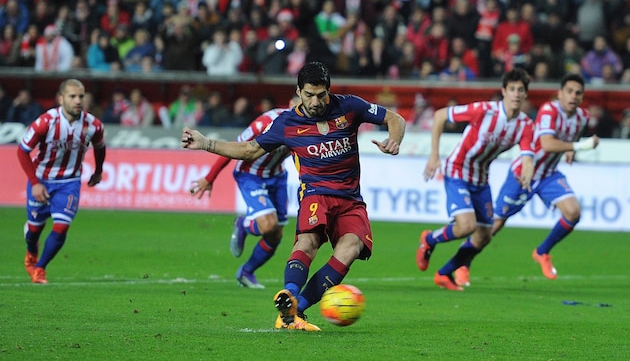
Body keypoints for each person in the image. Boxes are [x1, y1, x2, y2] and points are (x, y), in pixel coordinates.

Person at [182, 61, 405, 331]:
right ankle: (288, 292)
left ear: (328, 91)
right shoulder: (286, 123)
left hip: (350, 200)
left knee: (351, 249)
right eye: (309, 95)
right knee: (308, 242)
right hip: (315, 195)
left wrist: (394, 139)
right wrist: (206, 143)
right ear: (298, 91)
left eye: (321, 94)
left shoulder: (350, 107)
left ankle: (295, 307)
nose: (315, 101)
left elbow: (395, 118)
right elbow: (250, 150)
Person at [454, 73, 599, 287]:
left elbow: (570, 137)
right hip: (523, 173)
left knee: (573, 211)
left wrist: (570, 149)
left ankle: (542, 252)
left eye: (578, 93)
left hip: (548, 175)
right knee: (493, 225)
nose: (573, 96)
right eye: (569, 91)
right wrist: (579, 147)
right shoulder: (549, 110)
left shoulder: (582, 117)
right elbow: (547, 143)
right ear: (559, 93)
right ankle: (462, 264)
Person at [417, 68, 535, 291]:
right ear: (504, 91)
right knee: (466, 226)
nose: (516, 94)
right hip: (457, 170)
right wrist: (434, 155)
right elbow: (441, 115)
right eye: (512, 89)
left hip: (481, 179)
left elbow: (528, 155)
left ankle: (444, 273)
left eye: (521, 90)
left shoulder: (526, 125)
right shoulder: (484, 111)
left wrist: (528, 170)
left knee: (484, 236)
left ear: (526, 94)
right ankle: (429, 239)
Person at [190, 96, 298, 289]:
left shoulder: (309, 128)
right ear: (290, 104)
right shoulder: (265, 123)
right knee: (268, 225)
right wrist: (210, 177)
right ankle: (244, 223)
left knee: (276, 235)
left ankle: (246, 272)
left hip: (277, 177)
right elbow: (234, 147)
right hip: (251, 175)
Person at [17, 79, 106, 284]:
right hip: (41, 180)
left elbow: (100, 147)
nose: (77, 101)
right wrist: (35, 182)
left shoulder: (93, 125)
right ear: (61, 98)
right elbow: (22, 151)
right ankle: (31, 251)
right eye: (72, 96)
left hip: (69, 181)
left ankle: (39, 268)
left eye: (81, 96)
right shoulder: (46, 122)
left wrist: (99, 171)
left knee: (62, 225)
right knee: (33, 231)